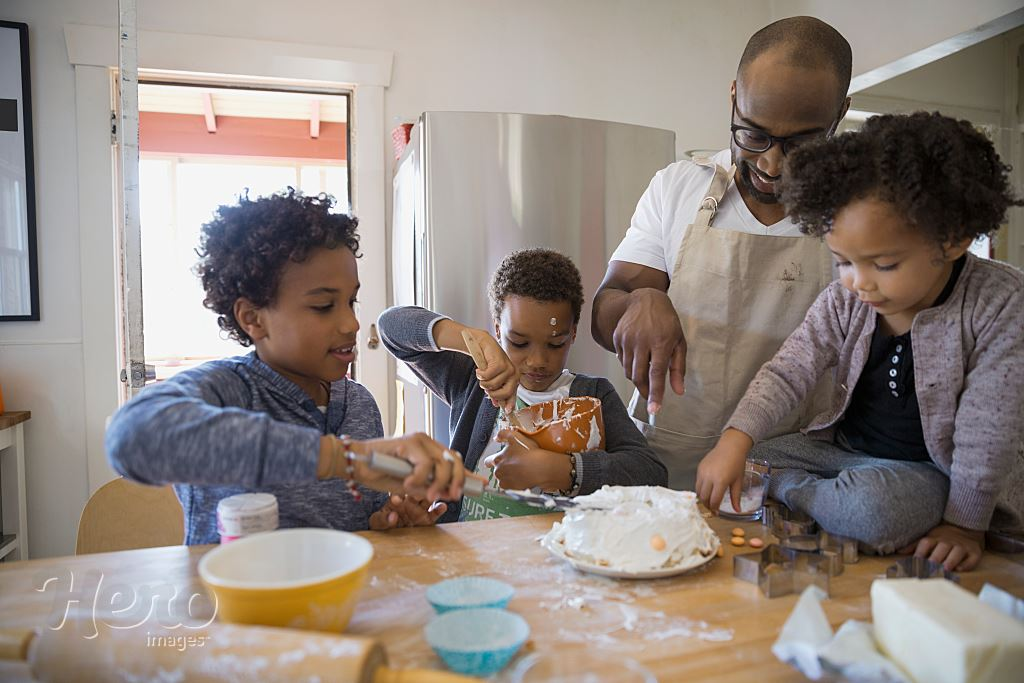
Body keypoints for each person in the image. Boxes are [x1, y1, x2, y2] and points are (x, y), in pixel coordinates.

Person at [696, 112, 1024, 571]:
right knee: (752, 456)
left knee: (869, 513)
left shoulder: (999, 302)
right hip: (844, 454)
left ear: (952, 240)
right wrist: (736, 439)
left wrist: (965, 525)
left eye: (884, 265)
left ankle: (794, 491)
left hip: (929, 475)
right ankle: (810, 491)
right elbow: (789, 371)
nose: (858, 283)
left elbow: (987, 431)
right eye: (843, 262)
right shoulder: (845, 298)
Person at [106, 190, 467, 545]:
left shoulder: (359, 405)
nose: (352, 324)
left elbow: (357, 530)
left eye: (351, 301)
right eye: (324, 306)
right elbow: (130, 439)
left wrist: (386, 524)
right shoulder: (228, 390)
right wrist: (343, 459)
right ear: (253, 319)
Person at [592, 16, 852, 488]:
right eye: (753, 134)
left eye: (801, 144)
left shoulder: (860, 215)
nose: (771, 164)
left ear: (840, 114)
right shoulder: (678, 188)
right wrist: (639, 301)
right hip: (664, 472)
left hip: (792, 481)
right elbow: (604, 312)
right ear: (734, 96)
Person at [378, 248, 667, 521]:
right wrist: (469, 339)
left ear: (573, 333)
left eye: (556, 343)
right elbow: (390, 327)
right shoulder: (474, 379)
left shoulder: (593, 397)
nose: (537, 361)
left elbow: (651, 473)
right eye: (518, 343)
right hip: (468, 546)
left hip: (551, 553)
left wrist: (562, 470)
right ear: (497, 329)